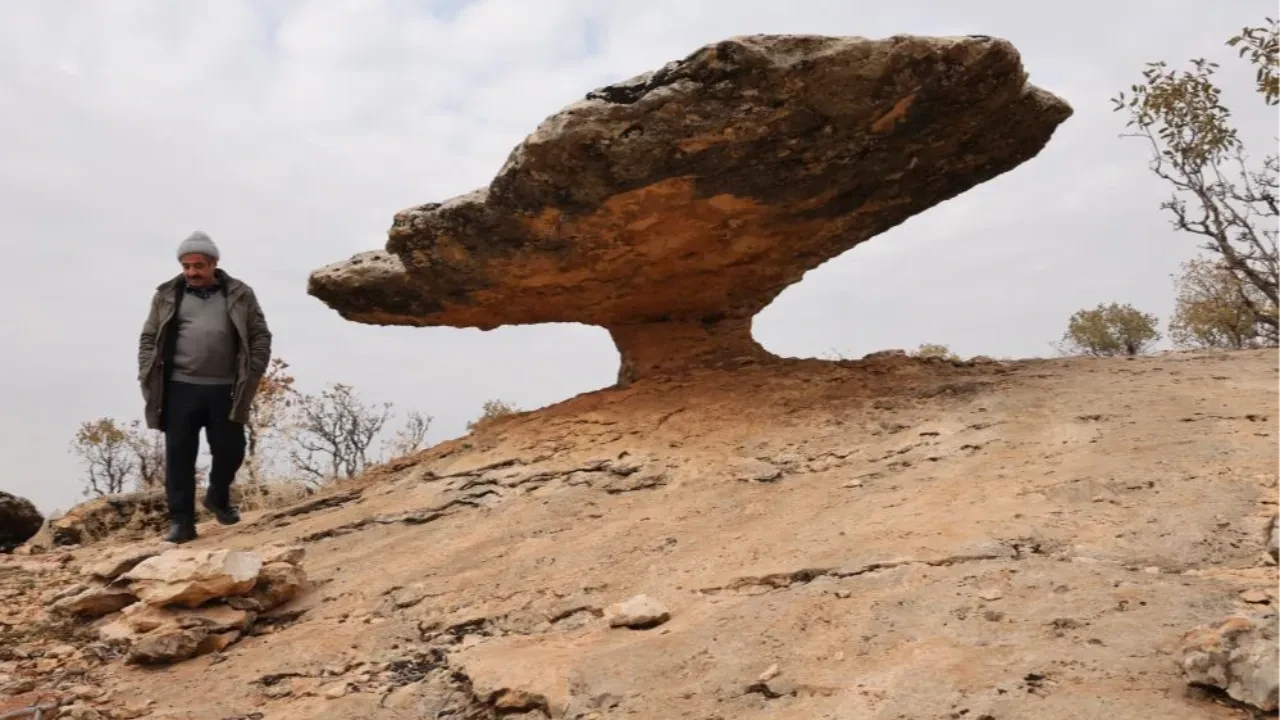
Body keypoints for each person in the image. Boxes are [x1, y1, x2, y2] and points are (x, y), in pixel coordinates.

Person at [137, 232, 272, 543]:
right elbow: (148, 337)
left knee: (231, 450)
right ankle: (182, 522)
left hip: (225, 387)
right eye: (186, 266)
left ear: (213, 264)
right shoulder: (167, 295)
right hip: (179, 387)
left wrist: (253, 371)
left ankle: (218, 495)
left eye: (197, 265)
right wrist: (147, 367)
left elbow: (260, 335)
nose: (191, 272)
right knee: (179, 455)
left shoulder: (240, 293)